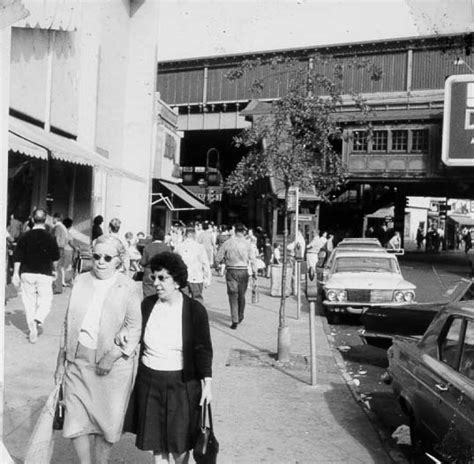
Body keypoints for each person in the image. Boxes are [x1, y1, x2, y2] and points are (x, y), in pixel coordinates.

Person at [54, 235, 142, 464]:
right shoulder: (81, 280)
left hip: (112, 367)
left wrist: (111, 356)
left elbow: (134, 328)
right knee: (75, 419)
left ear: (119, 260)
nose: (101, 262)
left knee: (107, 423)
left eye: (107, 257)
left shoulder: (129, 286)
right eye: (96, 256)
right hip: (78, 360)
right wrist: (60, 362)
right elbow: (68, 322)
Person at [123, 251, 213, 464]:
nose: (156, 283)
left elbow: (203, 348)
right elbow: (134, 335)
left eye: (163, 278)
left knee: (179, 444)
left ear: (177, 280)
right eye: (154, 277)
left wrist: (207, 383)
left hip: (181, 384)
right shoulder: (147, 305)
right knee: (157, 442)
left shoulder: (194, 310)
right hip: (149, 380)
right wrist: (123, 337)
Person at [11, 208, 60, 343]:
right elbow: (55, 257)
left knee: (29, 301)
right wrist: (54, 270)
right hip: (44, 273)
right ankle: (38, 319)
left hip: (27, 273)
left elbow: (18, 256)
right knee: (46, 300)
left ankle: (32, 326)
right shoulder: (50, 237)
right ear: (45, 220)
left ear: (32, 220)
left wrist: (15, 273)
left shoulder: (24, 236)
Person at [216, 223, 257, 329]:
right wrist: (255, 272)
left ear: (234, 231)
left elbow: (218, 257)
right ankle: (240, 315)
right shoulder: (248, 244)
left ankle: (235, 319)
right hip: (243, 271)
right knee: (242, 295)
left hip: (231, 270)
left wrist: (218, 265)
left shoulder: (227, 243)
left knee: (233, 295)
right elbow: (253, 259)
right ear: (243, 232)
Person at [174, 226, 211, 301]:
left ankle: (185, 312)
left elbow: (174, 263)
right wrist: (207, 279)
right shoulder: (200, 247)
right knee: (197, 300)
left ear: (185, 234)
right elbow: (205, 264)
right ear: (194, 235)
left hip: (182, 277)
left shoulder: (178, 247)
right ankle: (197, 312)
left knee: (184, 301)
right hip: (197, 277)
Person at [140, 227, 172, 298]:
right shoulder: (167, 248)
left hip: (149, 273)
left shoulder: (147, 247)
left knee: (148, 298)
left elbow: (143, 262)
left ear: (153, 236)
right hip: (162, 273)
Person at [52, 212, 69, 294]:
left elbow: (56, 238)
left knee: (55, 268)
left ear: (56, 218)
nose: (52, 220)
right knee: (59, 267)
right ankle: (58, 287)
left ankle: (56, 287)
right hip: (62, 248)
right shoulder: (63, 227)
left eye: (53, 218)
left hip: (57, 248)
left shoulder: (58, 227)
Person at [62, 217, 78, 286]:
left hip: (63, 250)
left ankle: (63, 280)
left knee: (63, 266)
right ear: (70, 225)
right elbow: (71, 243)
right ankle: (66, 280)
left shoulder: (62, 232)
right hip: (68, 251)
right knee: (68, 266)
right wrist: (76, 248)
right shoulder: (68, 233)